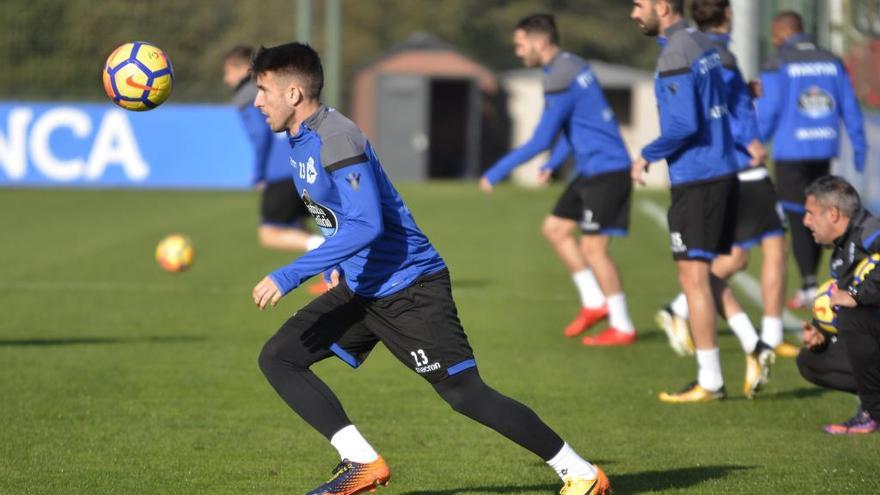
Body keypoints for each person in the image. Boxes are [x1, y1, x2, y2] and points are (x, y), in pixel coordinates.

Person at [250, 42, 611, 495]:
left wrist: (290, 274)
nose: (257, 101)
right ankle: (361, 462)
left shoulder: (336, 137)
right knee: (280, 356)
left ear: (295, 93)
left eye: (264, 90)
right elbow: (341, 217)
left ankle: (580, 472)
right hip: (364, 288)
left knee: (465, 394)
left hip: (409, 286)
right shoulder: (300, 138)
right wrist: (340, 261)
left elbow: (367, 223)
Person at [480, 14, 637, 346]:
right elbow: (574, 125)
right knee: (556, 229)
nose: (519, 52)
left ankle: (622, 325)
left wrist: (496, 171)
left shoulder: (559, 77)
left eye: (521, 45)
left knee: (594, 249)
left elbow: (541, 137)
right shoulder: (570, 65)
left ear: (539, 42)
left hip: (607, 170)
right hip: (590, 169)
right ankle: (594, 303)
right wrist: (553, 162)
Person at [654, 0, 782, 398]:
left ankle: (729, 359)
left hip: (713, 171)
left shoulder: (689, 50)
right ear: (726, 15)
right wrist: (751, 130)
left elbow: (703, 111)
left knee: (717, 265)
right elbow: (725, 106)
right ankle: (754, 341)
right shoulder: (714, 52)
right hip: (734, 168)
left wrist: (648, 153)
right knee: (726, 263)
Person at [630, 0, 742, 402]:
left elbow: (683, 123)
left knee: (693, 279)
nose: (633, 14)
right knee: (706, 275)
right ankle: (745, 347)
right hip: (720, 168)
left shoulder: (676, 51)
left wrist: (646, 153)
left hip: (699, 175)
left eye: (639, 5)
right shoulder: (701, 41)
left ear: (663, 6)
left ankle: (710, 380)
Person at [755, 11, 868, 309]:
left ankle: (807, 282)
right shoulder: (832, 60)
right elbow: (850, 107)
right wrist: (859, 147)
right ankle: (817, 279)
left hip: (791, 152)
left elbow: (769, 111)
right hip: (823, 147)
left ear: (780, 33)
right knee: (821, 212)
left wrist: (753, 144)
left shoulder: (778, 61)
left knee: (798, 216)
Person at [224, 45, 325, 255]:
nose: (226, 79)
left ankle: (326, 248)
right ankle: (332, 276)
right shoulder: (278, 88)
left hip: (280, 172)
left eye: (228, 72)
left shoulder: (247, 97)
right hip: (304, 165)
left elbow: (261, 135)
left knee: (269, 233)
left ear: (242, 69)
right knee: (299, 226)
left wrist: (259, 173)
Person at [801, 175, 880, 434]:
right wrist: (821, 332)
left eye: (810, 213)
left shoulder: (870, 232)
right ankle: (871, 407)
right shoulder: (840, 251)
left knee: (852, 318)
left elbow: (858, 297)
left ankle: (874, 410)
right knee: (812, 361)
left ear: (833, 213)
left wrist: (858, 295)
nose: (805, 221)